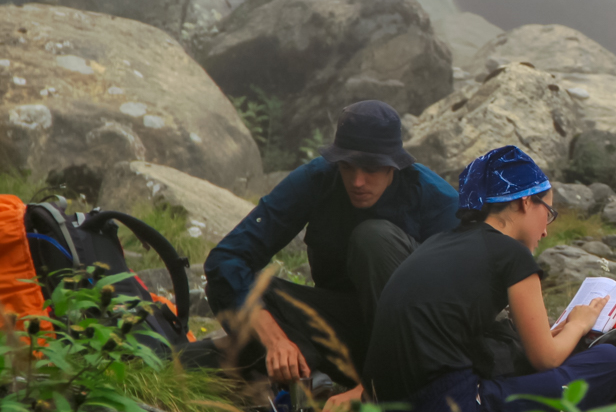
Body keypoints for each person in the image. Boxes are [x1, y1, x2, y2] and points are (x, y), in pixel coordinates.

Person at [321, 145, 616, 412]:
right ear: (525, 201)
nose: (546, 230)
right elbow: (545, 360)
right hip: (451, 410)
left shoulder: (441, 242)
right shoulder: (512, 255)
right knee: (608, 362)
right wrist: (578, 324)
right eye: (548, 212)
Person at [195, 100, 458, 384]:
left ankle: (390, 384)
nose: (357, 181)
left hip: (413, 339)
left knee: (373, 238)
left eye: (370, 168)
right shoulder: (317, 179)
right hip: (338, 329)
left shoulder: (438, 201)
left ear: (394, 166)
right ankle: (305, 370)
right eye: (347, 166)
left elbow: (461, 300)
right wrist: (275, 340)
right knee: (246, 288)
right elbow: (227, 259)